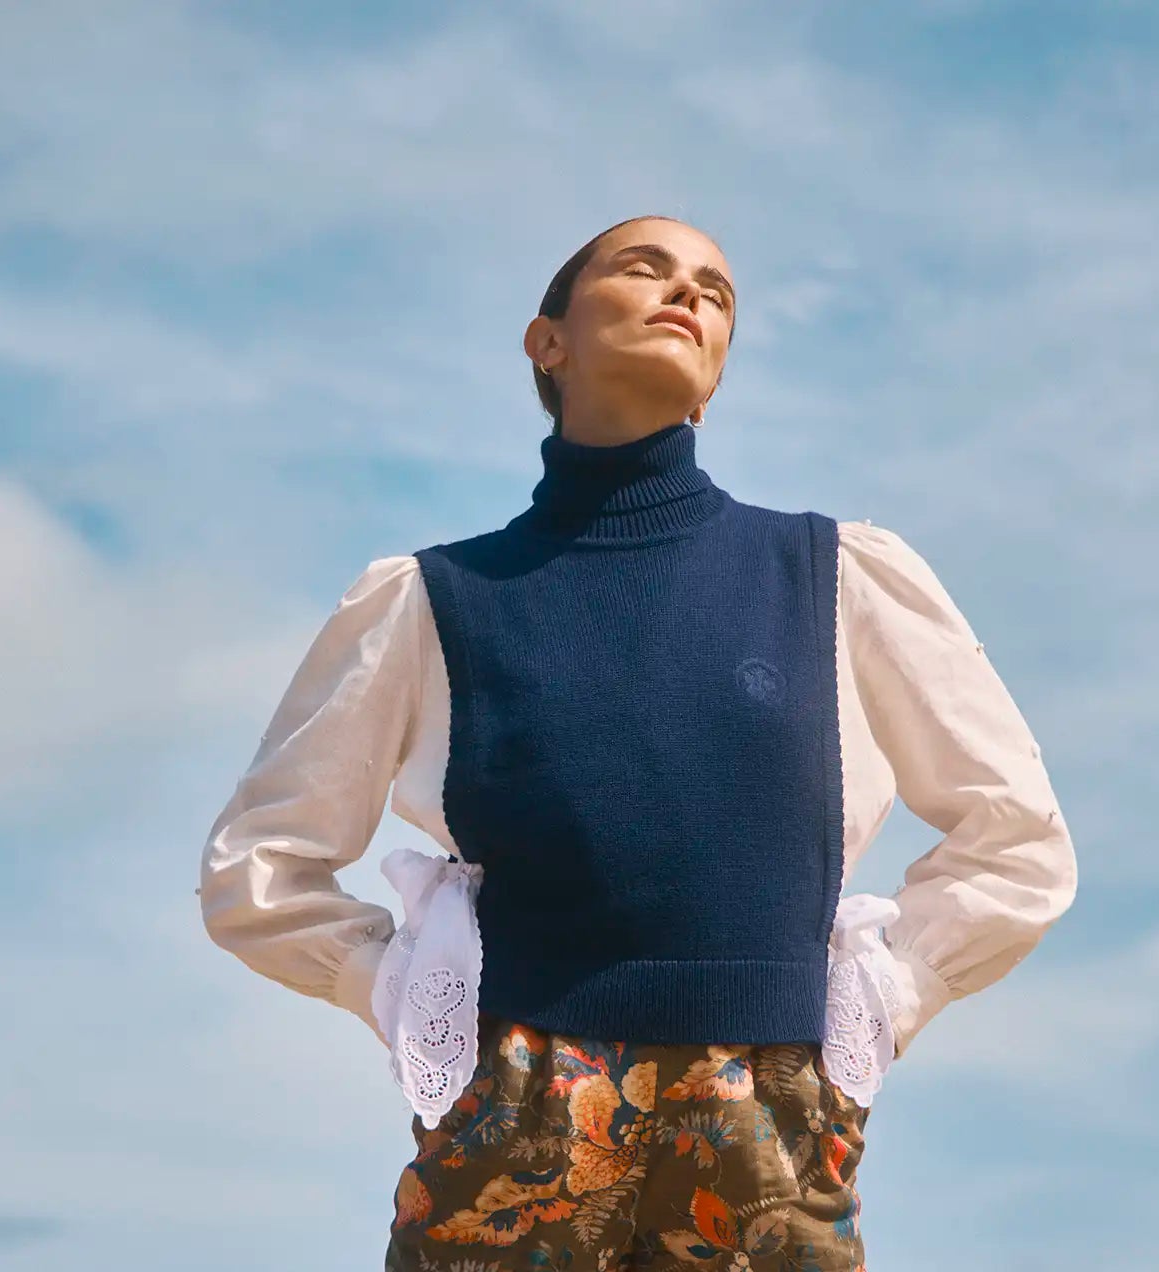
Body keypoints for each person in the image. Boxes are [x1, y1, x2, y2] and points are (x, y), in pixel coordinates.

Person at [198, 214, 1078, 1270]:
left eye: (715, 288)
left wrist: (884, 999)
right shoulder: (430, 601)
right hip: (512, 1117)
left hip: (772, 1127)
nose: (688, 292)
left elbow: (1015, 839)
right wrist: (398, 992)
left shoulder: (836, 575)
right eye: (642, 267)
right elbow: (262, 865)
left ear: (712, 378)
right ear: (547, 342)